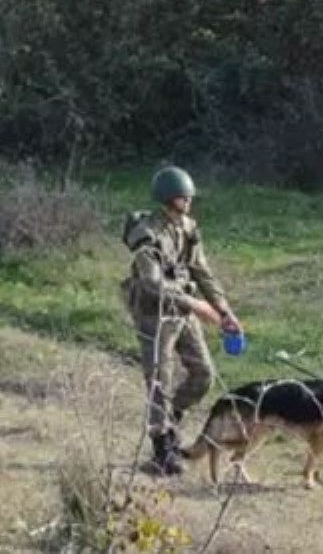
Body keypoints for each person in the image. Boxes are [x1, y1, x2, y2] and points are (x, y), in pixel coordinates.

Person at [121, 166, 242, 477]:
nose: (188, 201)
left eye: (188, 196)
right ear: (167, 198)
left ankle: (170, 420)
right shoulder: (146, 233)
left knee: (203, 374)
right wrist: (196, 305)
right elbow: (152, 283)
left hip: (183, 312)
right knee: (160, 378)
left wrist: (224, 311)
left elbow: (202, 272)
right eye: (181, 196)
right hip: (155, 313)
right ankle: (162, 447)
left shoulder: (188, 228)